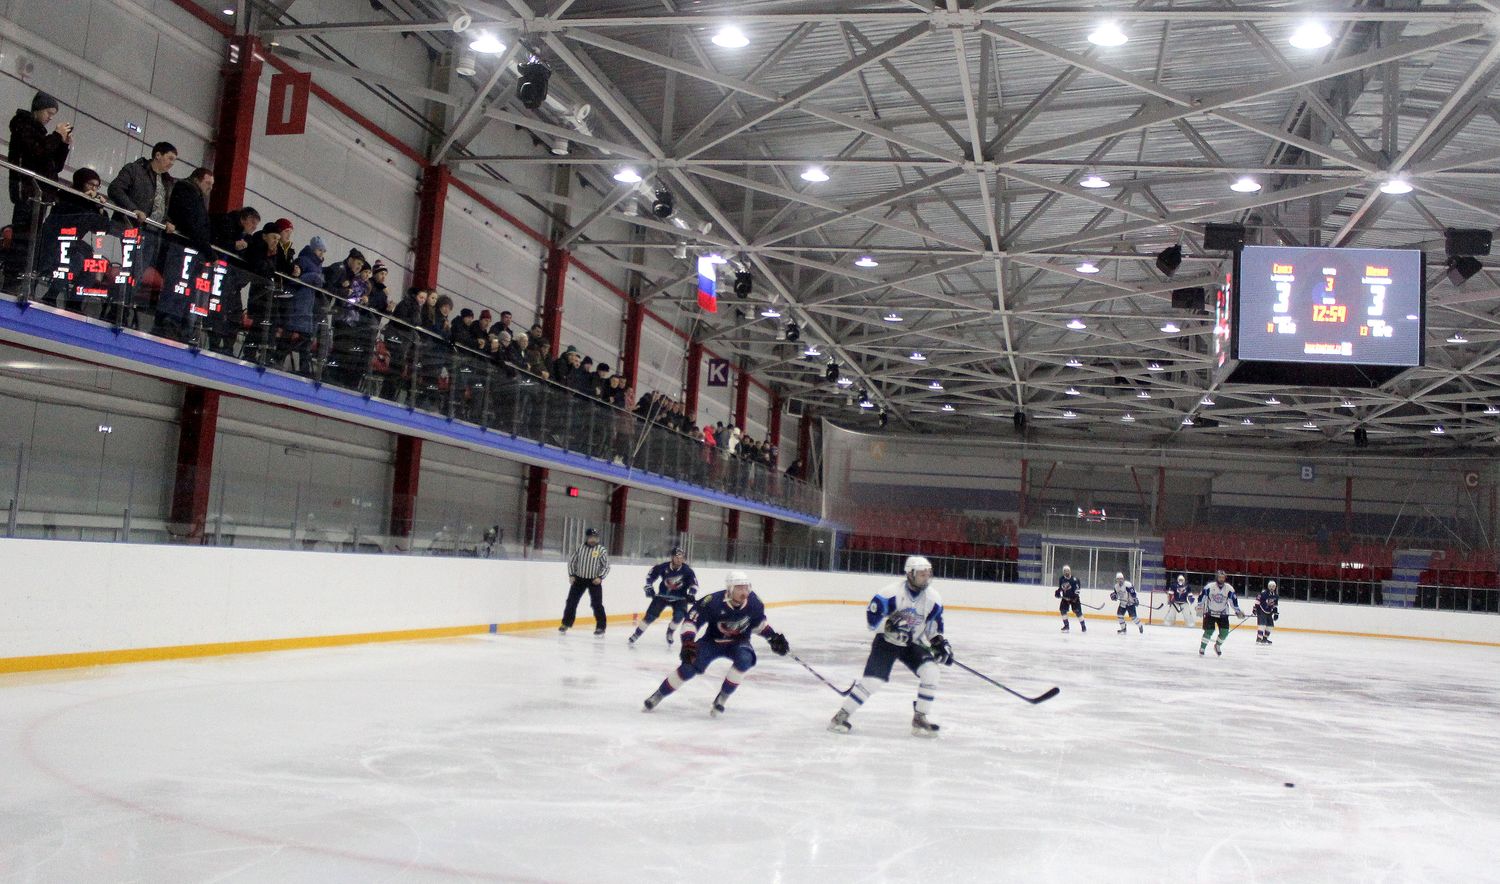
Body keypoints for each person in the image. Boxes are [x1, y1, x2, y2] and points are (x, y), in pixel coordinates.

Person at [829, 555, 952, 737]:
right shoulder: (890, 593)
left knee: (931, 671)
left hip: (911, 643)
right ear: (910, 574)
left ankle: (920, 718)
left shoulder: (933, 598)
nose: (926, 578)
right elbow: (872, 620)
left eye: (928, 574)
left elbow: (933, 626)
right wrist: (889, 626)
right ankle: (840, 717)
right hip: (886, 642)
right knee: (873, 681)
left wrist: (939, 642)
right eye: (921, 574)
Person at [642, 570, 789, 718]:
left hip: (739, 642)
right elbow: (691, 622)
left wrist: (773, 638)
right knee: (688, 667)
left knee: (745, 659)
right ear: (730, 589)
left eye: (746, 588)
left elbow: (759, 625)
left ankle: (722, 697)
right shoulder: (712, 602)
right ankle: (659, 694)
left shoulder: (755, 604)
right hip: (711, 641)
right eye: (739, 588)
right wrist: (688, 642)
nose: (744, 592)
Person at [6, 90, 73, 288]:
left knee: (31, 241)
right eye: (48, 113)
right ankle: (12, 281)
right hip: (27, 192)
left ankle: (20, 281)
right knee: (22, 240)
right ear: (38, 109)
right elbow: (37, 152)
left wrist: (63, 145)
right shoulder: (23, 126)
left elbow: (54, 165)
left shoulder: (42, 134)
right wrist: (56, 136)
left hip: (40, 195)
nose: (50, 118)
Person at [628, 546, 699, 646]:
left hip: (680, 598)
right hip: (662, 596)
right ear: (672, 557)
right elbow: (650, 575)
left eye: (681, 557)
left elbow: (694, 584)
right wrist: (649, 586)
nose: (679, 560)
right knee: (650, 616)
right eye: (677, 557)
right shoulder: (663, 567)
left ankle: (670, 632)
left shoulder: (687, 571)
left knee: (679, 616)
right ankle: (637, 634)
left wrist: (691, 594)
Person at [560, 527, 609, 635]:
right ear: (587, 538)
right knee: (571, 602)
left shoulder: (601, 550)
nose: (593, 540)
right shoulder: (580, 548)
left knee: (596, 604)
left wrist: (600, 577)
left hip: (594, 581)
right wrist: (572, 575)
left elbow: (606, 566)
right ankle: (566, 623)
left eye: (595, 537)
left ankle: (601, 627)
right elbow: (572, 562)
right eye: (591, 537)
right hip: (579, 579)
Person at [1197, 569, 1244, 657]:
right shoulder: (1209, 587)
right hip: (1210, 613)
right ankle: (1202, 648)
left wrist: (1238, 611)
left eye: (1223, 577)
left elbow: (1233, 601)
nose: (1221, 579)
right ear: (1217, 577)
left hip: (1223, 614)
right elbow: (1202, 597)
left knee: (1225, 632)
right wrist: (1199, 607)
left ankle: (1217, 645)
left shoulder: (1229, 588)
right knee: (1209, 631)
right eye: (1220, 577)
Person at [1055, 564, 1086, 633]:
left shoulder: (1075, 580)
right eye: (1065, 571)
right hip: (1065, 598)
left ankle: (1083, 626)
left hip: (1074, 598)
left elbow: (1077, 590)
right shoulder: (1061, 579)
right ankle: (1066, 626)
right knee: (1063, 610)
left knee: (1077, 612)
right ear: (1063, 572)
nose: (1066, 572)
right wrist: (1058, 592)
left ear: (1070, 571)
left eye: (1068, 570)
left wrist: (1075, 597)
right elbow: (1061, 587)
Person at [1112, 571, 1143, 635]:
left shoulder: (1128, 585)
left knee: (1133, 617)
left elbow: (1133, 593)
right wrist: (1114, 597)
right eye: (1118, 579)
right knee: (1119, 615)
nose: (1120, 580)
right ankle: (1123, 628)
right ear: (1116, 580)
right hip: (1122, 603)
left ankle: (1140, 625)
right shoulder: (1116, 586)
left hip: (1130, 603)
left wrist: (1135, 599)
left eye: (1121, 579)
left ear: (1123, 579)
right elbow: (1116, 594)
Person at [1255, 580, 1280, 646]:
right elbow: (1257, 600)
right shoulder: (1263, 593)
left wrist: (1276, 613)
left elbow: (1275, 605)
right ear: (1268, 586)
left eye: (1273, 586)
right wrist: (1255, 609)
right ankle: (1259, 638)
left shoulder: (1276, 596)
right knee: (1262, 625)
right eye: (1270, 586)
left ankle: (1265, 638)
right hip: (1261, 610)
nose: (1272, 587)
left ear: (1275, 587)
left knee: (1270, 626)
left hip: (1269, 612)